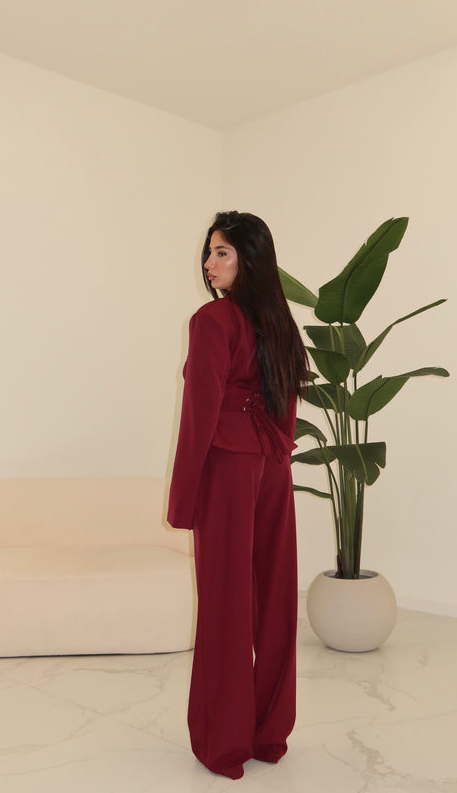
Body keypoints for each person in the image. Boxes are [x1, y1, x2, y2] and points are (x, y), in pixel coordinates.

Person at [167, 211, 310, 780]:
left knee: (226, 602)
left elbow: (199, 416)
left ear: (249, 259)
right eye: (209, 252)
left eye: (221, 252)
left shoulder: (213, 320)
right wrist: (278, 455)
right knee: (274, 596)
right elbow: (286, 404)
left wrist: (183, 501)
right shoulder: (280, 323)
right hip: (272, 462)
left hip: (228, 466)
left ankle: (223, 743)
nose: (209, 263)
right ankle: (269, 734)